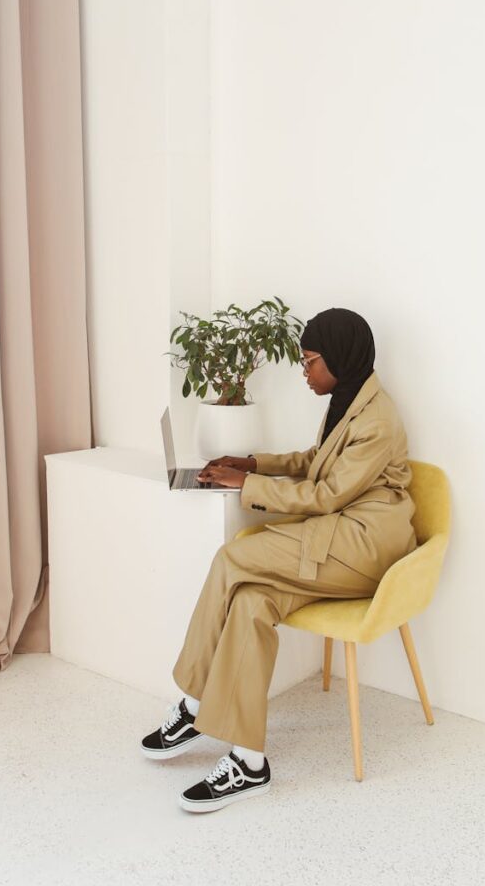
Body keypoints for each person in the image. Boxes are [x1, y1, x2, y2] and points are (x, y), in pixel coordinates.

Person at [140, 307, 417, 812]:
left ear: (341, 358)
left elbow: (329, 493)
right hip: (338, 537)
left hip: (365, 547)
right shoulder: (349, 397)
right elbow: (316, 462)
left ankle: (193, 701)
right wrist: (250, 462)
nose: (304, 371)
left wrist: (246, 486)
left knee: (232, 559)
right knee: (249, 601)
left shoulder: (377, 418)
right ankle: (248, 762)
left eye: (310, 361)